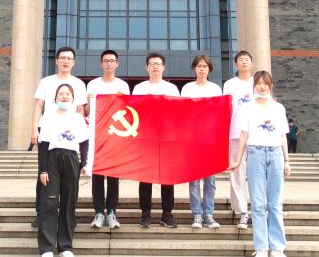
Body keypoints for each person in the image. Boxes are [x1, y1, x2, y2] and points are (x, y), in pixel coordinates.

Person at [229, 70, 290, 257]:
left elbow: (282, 135)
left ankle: (277, 249)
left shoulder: (278, 108)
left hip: (275, 154)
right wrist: (238, 160)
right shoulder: (247, 108)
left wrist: (287, 160)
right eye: (258, 83)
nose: (262, 86)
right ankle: (261, 248)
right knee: (257, 203)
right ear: (254, 85)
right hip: (255, 154)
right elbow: (243, 135)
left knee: (275, 203)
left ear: (271, 85)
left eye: (265, 83)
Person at [30, 47, 87, 228]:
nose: (65, 61)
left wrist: (77, 130)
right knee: (44, 172)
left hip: (69, 135)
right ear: (56, 61)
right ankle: (41, 213)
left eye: (69, 58)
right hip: (48, 131)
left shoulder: (78, 84)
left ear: (73, 62)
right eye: (62, 58)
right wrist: (34, 129)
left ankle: (68, 215)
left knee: (70, 179)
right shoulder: (46, 81)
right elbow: (39, 105)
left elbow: (80, 109)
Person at [37, 83, 89, 257]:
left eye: (68, 94)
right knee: (49, 203)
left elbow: (84, 142)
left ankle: (65, 246)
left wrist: (84, 163)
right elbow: (43, 144)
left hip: (71, 160)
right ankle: (46, 248)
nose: (64, 96)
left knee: (68, 204)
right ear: (55, 98)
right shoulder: (48, 117)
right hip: (52, 160)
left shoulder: (78, 118)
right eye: (61, 94)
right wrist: (42, 169)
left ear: (73, 98)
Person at [133, 52, 180, 228]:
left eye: (158, 64)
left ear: (163, 67)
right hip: (146, 137)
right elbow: (133, 112)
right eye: (152, 63)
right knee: (145, 176)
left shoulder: (171, 89)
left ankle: (167, 213)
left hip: (167, 137)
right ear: (147, 67)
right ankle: (145, 213)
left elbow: (179, 112)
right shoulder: (139, 89)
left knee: (167, 176)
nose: (155, 66)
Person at [85, 49, 130, 229]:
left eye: (112, 61)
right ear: (101, 63)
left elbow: (128, 112)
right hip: (97, 136)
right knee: (97, 175)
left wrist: (122, 100)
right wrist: (90, 102)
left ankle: (111, 212)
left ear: (117, 64)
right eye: (106, 61)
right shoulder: (93, 84)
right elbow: (86, 112)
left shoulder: (123, 85)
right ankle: (98, 212)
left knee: (113, 177)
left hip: (115, 136)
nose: (109, 63)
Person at [181, 53, 222, 229]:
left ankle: (208, 214)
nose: (202, 69)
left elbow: (220, 114)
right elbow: (183, 113)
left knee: (210, 180)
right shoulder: (187, 89)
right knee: (194, 180)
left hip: (211, 139)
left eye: (205, 66)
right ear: (194, 69)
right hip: (193, 139)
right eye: (199, 66)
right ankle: (197, 214)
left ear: (209, 69)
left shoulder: (215, 89)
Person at [222, 50, 255, 228]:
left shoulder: (258, 82)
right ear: (236, 64)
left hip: (256, 135)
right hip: (235, 134)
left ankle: (257, 211)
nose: (244, 62)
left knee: (256, 174)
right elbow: (224, 109)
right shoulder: (229, 84)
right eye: (240, 60)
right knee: (237, 174)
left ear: (251, 63)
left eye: (247, 59)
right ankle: (243, 211)